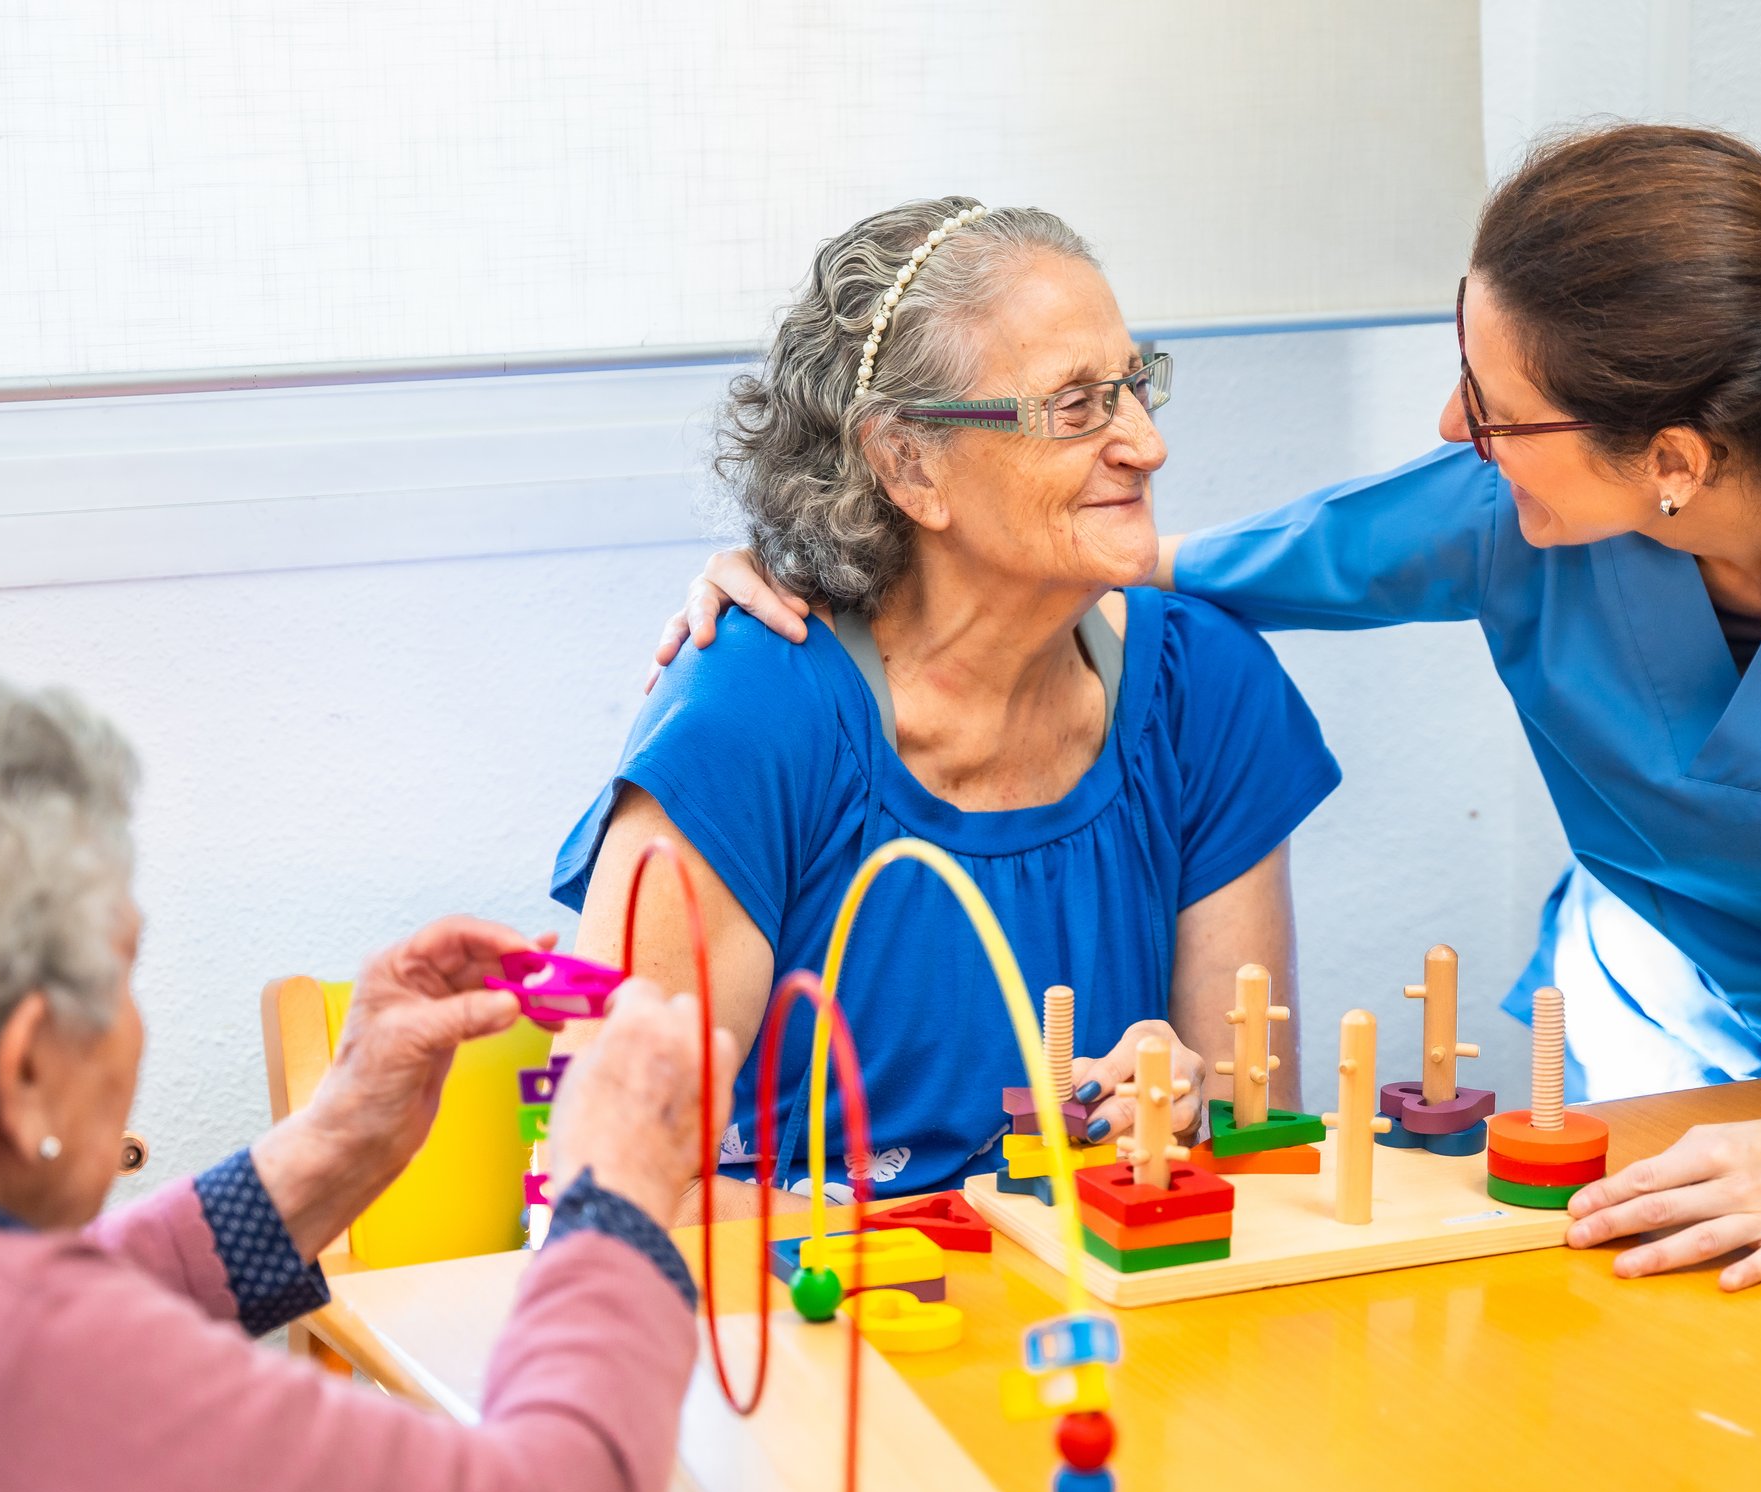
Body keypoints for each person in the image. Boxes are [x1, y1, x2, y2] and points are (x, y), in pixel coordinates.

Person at [655, 126, 1761, 1289]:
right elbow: (1162, 559)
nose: (1451, 431)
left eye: (1489, 403)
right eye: (1077, 405)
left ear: (1669, 457)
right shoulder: (1509, 507)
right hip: (1659, 1007)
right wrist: (817, 564)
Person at [0, 649, 737, 1492]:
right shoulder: (22, 1374)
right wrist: (613, 1197)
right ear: (28, 1068)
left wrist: (333, 1146)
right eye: (127, 975)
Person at [556, 198, 1339, 1217]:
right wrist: (975, 1237)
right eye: (1075, 405)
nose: (1146, 445)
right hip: (808, 1342)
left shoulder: (1205, 689)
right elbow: (601, 1187)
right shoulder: (749, 717)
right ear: (908, 464)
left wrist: (1177, 1117)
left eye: (1135, 384)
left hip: (1090, 1350)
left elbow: (1255, 1149)